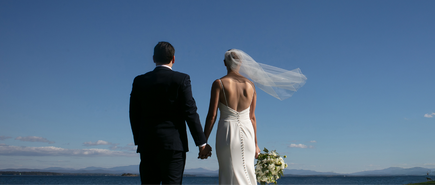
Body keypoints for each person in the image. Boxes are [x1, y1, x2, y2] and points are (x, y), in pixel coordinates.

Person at [203, 49, 307, 185]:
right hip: (248, 135)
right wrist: (256, 144)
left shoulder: (219, 83)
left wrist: (203, 142)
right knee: (248, 171)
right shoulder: (251, 85)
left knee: (228, 173)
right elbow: (252, 117)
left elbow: (212, 115)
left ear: (225, 63)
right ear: (241, 63)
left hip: (227, 133)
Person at [129, 41, 212, 185]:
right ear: (173, 59)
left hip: (147, 145)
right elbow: (190, 112)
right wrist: (202, 143)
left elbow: (134, 114)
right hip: (174, 145)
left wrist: (139, 140)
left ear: (154, 58)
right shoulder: (181, 79)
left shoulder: (139, 81)